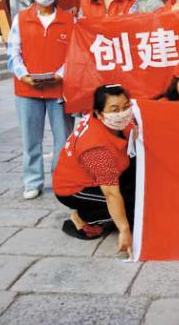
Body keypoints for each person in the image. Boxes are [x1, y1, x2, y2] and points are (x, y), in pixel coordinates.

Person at [7, 0, 75, 200]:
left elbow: (75, 54)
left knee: (63, 139)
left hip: (59, 89)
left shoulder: (69, 20)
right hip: (27, 89)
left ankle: (61, 180)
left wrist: (60, 74)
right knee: (31, 139)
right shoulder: (21, 19)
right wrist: (23, 75)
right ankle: (32, 181)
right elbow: (13, 52)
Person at [53, 85, 136, 257]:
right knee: (133, 210)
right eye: (114, 110)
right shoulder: (96, 148)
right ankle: (83, 217)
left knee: (142, 188)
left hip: (108, 171)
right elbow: (111, 194)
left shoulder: (115, 122)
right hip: (76, 188)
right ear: (99, 113)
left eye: (126, 106)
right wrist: (124, 230)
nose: (122, 113)